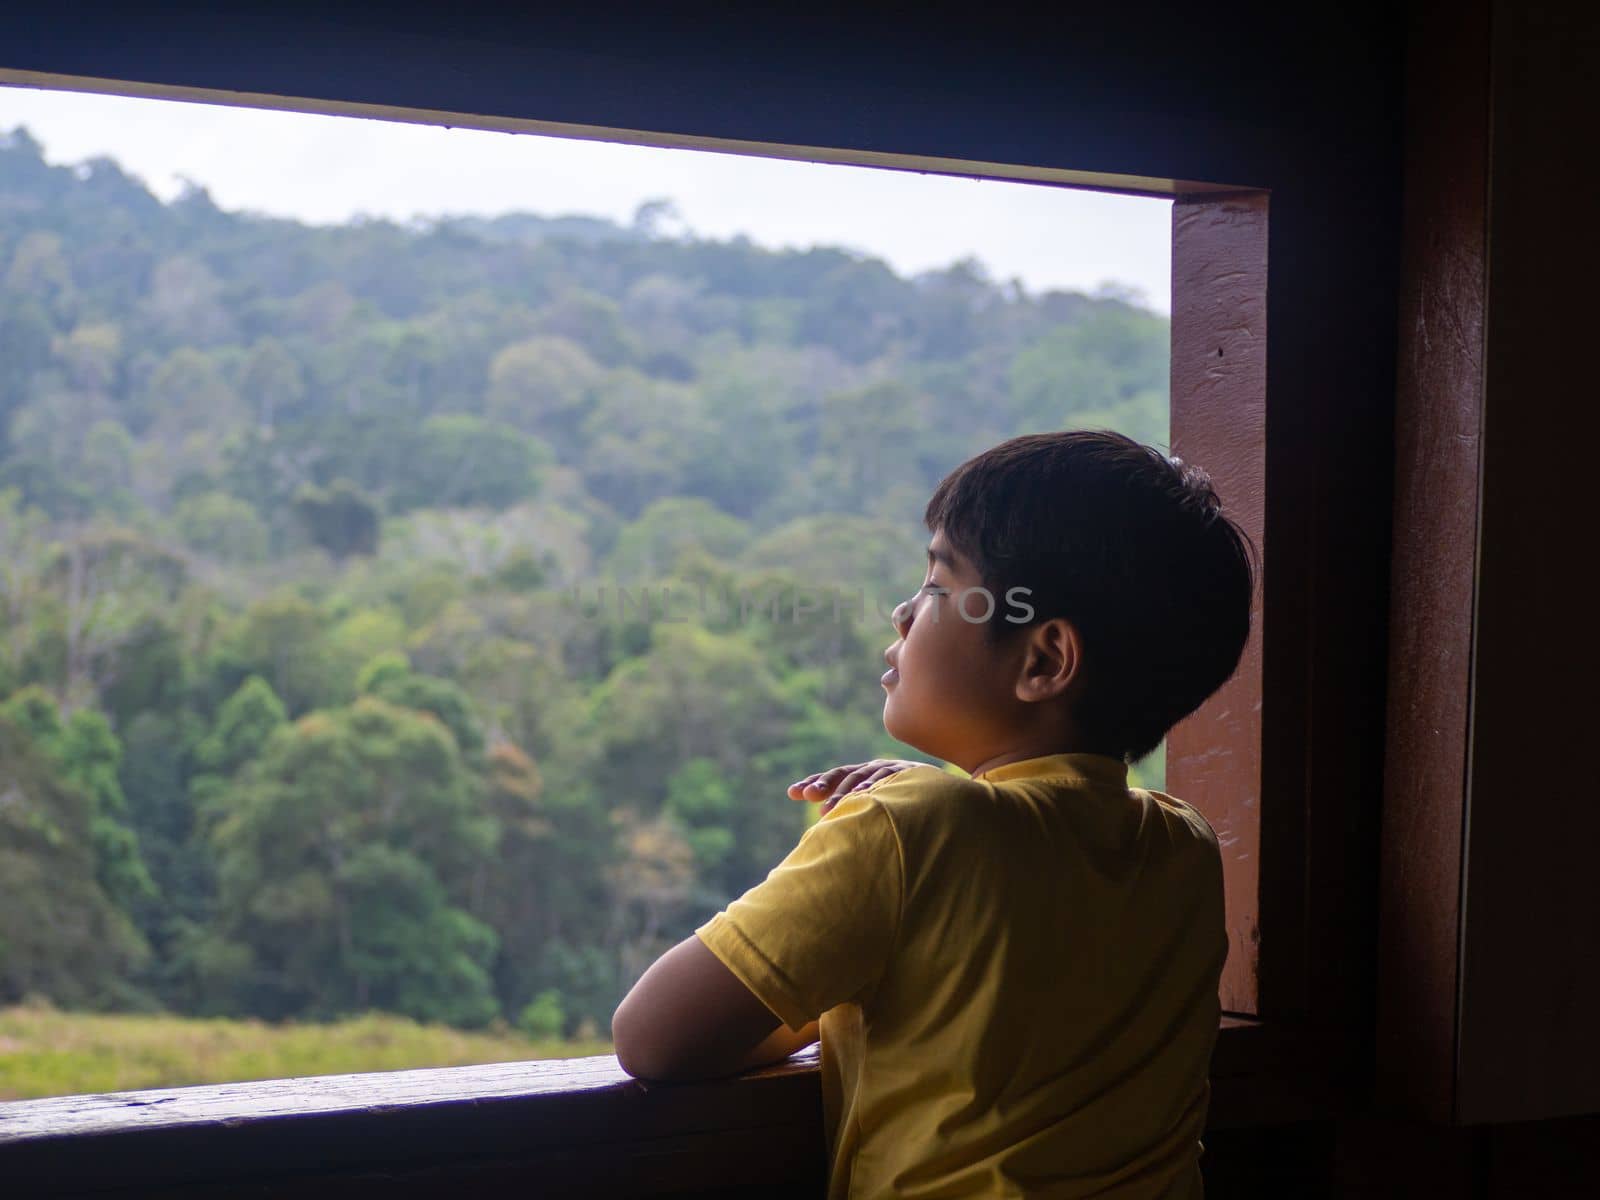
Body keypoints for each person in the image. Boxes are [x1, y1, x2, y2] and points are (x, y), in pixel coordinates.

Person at [612, 429, 1256, 1198]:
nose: (901, 613)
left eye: (939, 586)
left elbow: (653, 1037)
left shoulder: (908, 829)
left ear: (1044, 661)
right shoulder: (1180, 844)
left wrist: (909, 815)